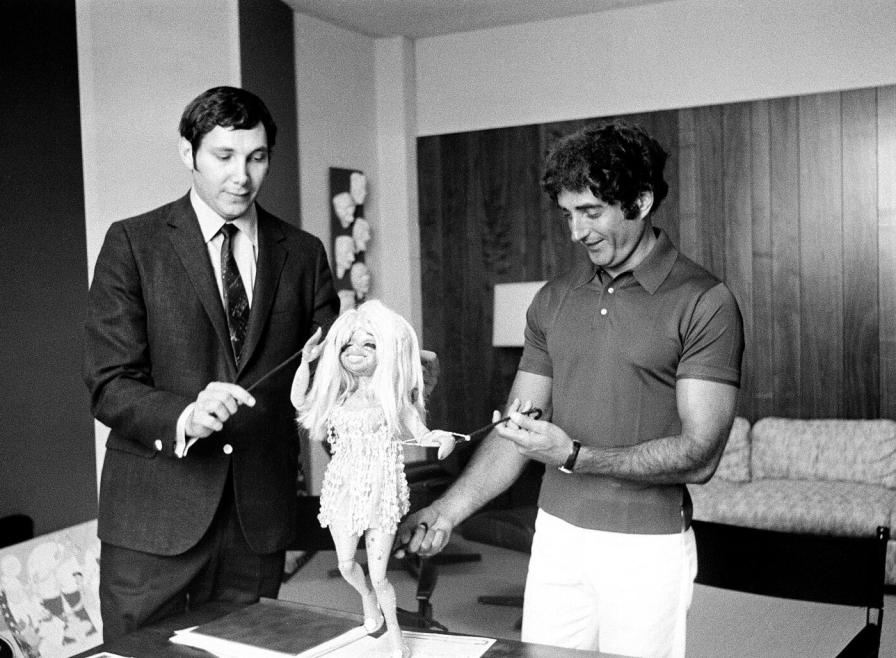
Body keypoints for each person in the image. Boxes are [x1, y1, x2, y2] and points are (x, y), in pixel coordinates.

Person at [399, 121, 744, 657]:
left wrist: (574, 455)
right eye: (567, 214)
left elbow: (700, 455)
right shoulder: (553, 299)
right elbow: (518, 429)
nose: (576, 232)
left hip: (646, 547)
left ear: (642, 200)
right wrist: (446, 512)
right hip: (556, 535)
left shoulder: (704, 301)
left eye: (591, 212)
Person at [82, 86, 341, 641]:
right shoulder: (131, 243)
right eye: (224, 157)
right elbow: (109, 383)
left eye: (257, 157)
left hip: (257, 519)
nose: (241, 176)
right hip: (153, 521)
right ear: (187, 153)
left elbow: (328, 375)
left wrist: (384, 372)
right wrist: (183, 416)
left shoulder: (304, 252)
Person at [290, 300, 455, 658]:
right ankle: (367, 600)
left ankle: (394, 631)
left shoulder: (392, 400)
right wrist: (305, 362)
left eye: (369, 344)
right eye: (348, 345)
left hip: (381, 492)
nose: (356, 352)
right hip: (344, 491)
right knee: (347, 564)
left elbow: (422, 433)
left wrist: (441, 439)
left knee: (381, 575)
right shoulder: (337, 396)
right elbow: (299, 400)